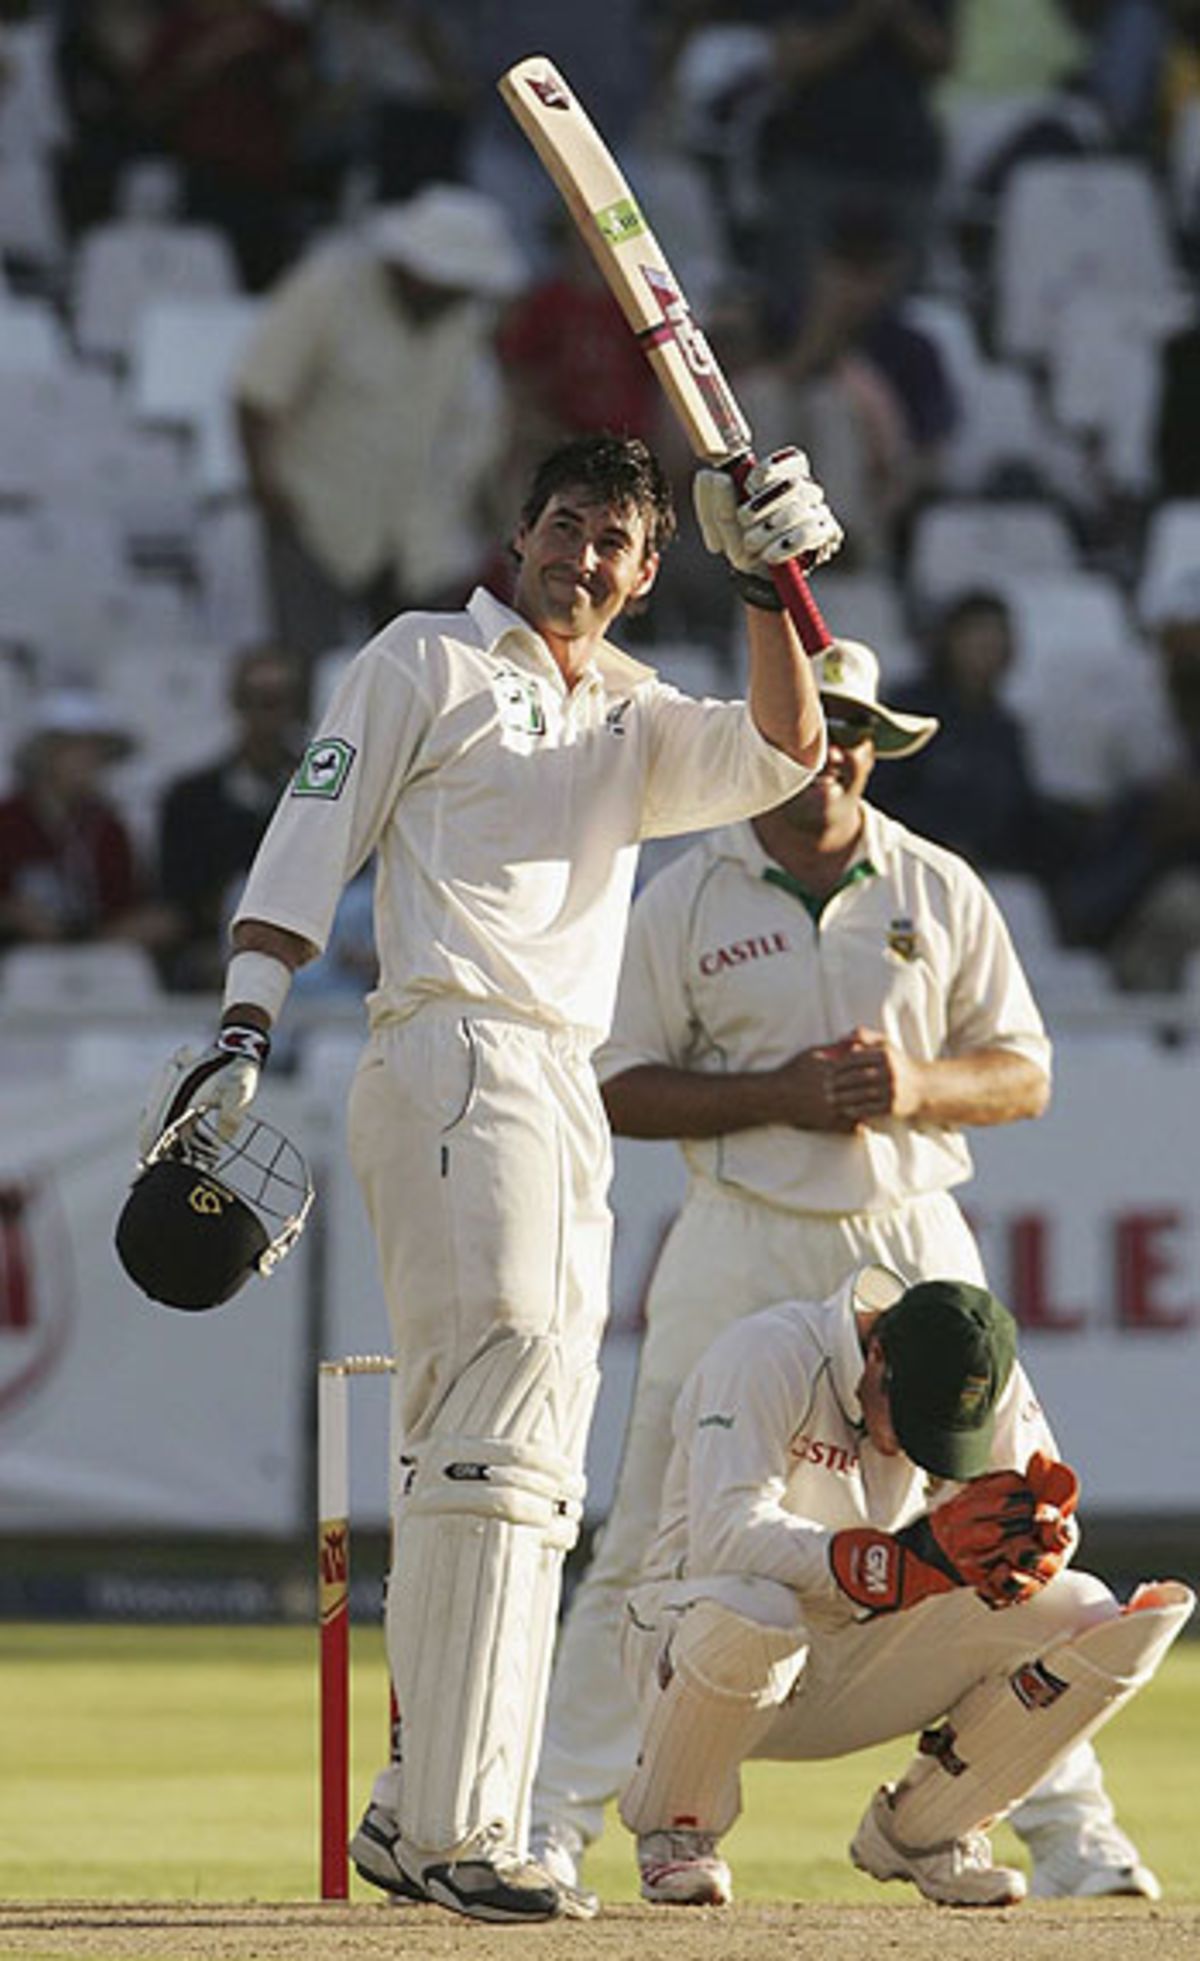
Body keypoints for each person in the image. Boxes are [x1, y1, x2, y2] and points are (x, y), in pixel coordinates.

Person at [136, 430, 844, 1923]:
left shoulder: (637, 713)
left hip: (560, 1085)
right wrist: (245, 1019)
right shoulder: (427, 661)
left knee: (529, 1462)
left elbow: (785, 750)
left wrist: (772, 579)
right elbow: (311, 823)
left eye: (614, 545)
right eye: (564, 527)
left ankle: (417, 1813)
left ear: (649, 574)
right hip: (452, 1046)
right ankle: (468, 1831)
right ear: (519, 534)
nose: (581, 559)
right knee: (498, 1430)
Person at [530, 634, 1163, 1901]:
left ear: (877, 745)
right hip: (742, 1226)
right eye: (820, 724)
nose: (839, 752)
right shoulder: (686, 894)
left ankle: (1050, 1824)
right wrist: (778, 1091)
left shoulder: (937, 885)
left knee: (999, 1521)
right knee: (656, 1538)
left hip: (912, 1227)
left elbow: (1025, 1069)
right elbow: (611, 1082)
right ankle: (548, 1817)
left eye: (861, 729)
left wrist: (915, 1083)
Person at [614, 1264, 1193, 1906]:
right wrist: (894, 1562)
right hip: (697, 1649)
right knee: (756, 1606)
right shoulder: (766, 1354)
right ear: (876, 1353)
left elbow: (1026, 1517)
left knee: (1090, 1613)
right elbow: (724, 1534)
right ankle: (678, 1829)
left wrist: (1036, 1550)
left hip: (857, 1657)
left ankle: (927, 1833)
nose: (920, 1451)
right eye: (912, 1420)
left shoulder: (990, 1377)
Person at [232, 180, 526, 672]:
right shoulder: (328, 286)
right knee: (310, 667)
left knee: (420, 681)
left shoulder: (466, 318)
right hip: (314, 512)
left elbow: (481, 419)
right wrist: (268, 491)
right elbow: (257, 394)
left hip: (421, 528)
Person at [157, 645, 304, 991]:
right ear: (237, 704)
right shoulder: (190, 798)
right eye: (258, 699)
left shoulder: (326, 791)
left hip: (312, 947)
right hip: (219, 948)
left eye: (280, 699)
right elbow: (177, 893)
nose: (269, 713)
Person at [0, 688, 169, 957]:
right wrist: (14, 913)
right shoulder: (7, 820)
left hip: (98, 953)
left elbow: (124, 903)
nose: (93, 762)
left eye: (98, 753)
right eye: (79, 750)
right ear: (45, 754)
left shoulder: (108, 828)